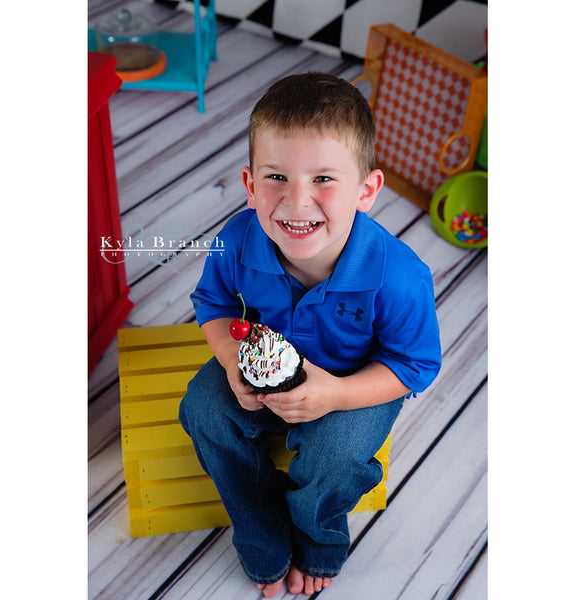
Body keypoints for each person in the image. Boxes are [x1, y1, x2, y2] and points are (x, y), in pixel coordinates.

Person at [179, 72, 441, 597]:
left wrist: (339, 393)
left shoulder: (398, 276)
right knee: (203, 411)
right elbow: (213, 302)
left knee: (337, 453)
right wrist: (233, 361)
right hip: (261, 359)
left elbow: (414, 366)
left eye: (324, 179)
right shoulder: (237, 239)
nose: (297, 203)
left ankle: (317, 535)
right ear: (251, 185)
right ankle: (258, 527)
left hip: (355, 377)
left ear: (366, 191)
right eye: (276, 177)